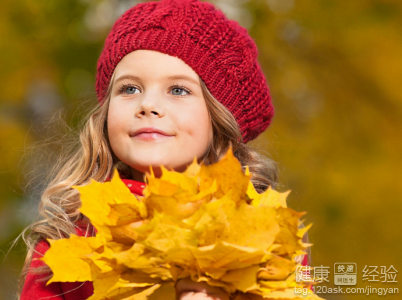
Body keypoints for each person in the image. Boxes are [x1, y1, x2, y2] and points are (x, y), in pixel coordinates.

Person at [18, 0, 311, 299]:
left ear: (220, 118)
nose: (148, 105)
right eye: (129, 88)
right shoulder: (71, 235)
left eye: (178, 90)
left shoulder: (262, 232)